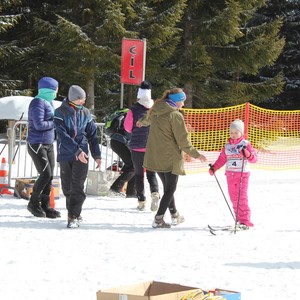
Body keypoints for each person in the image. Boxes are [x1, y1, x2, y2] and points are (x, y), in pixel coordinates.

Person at [138, 87, 207, 228]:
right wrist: (196, 154)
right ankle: (158, 219)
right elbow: (183, 140)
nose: (183, 104)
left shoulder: (156, 110)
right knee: (170, 189)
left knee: (168, 187)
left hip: (155, 156)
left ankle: (175, 215)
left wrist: (140, 122)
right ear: (177, 101)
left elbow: (145, 120)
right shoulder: (175, 115)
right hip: (170, 157)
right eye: (182, 101)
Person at [54, 85, 101, 228]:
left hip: (83, 154)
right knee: (67, 188)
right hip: (66, 153)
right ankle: (73, 212)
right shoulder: (59, 112)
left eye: (85, 99)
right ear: (73, 98)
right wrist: (76, 151)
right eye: (81, 99)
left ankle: (73, 215)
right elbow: (62, 135)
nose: (83, 102)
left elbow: (92, 135)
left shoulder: (85, 113)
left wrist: (96, 155)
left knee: (78, 186)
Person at [208, 119, 257, 228]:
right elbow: (221, 159)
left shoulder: (245, 144)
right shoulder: (227, 146)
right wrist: (214, 167)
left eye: (236, 132)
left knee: (242, 197)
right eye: (231, 132)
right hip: (230, 175)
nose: (233, 135)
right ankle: (239, 219)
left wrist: (248, 154)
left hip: (242, 175)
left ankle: (245, 221)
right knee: (234, 198)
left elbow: (254, 159)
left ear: (241, 133)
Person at [27, 76, 61, 219]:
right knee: (45, 174)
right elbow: (39, 124)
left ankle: (46, 205)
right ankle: (33, 203)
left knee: (50, 176)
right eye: (56, 89)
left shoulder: (48, 103)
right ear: (49, 89)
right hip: (37, 143)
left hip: (48, 143)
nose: (57, 92)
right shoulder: (37, 103)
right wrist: (55, 122)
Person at [124, 81, 160, 211]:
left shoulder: (133, 110)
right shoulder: (155, 109)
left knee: (139, 175)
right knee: (151, 173)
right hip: (152, 146)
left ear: (139, 97)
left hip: (137, 147)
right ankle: (155, 192)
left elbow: (127, 128)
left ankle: (141, 200)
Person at [107, 109, 137, 198]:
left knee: (133, 165)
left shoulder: (130, 113)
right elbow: (129, 132)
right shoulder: (135, 116)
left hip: (117, 141)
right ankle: (115, 188)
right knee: (133, 165)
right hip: (120, 142)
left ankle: (131, 192)